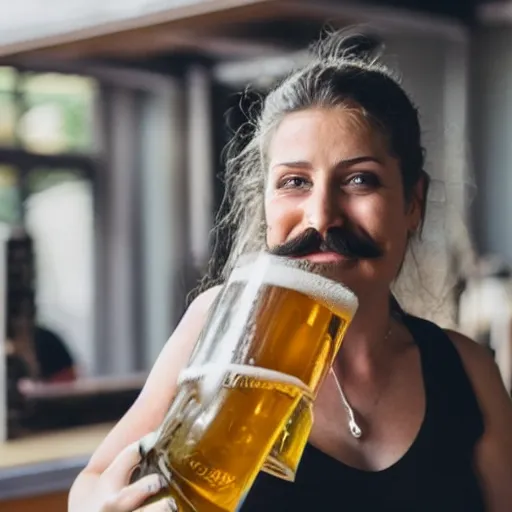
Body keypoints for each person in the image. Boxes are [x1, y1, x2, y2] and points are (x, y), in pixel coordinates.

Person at [68, 31, 512, 511]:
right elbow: (93, 484)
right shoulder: (222, 324)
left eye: (359, 179)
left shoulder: (468, 371)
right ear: (265, 203)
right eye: (294, 182)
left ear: (413, 202)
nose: (321, 216)